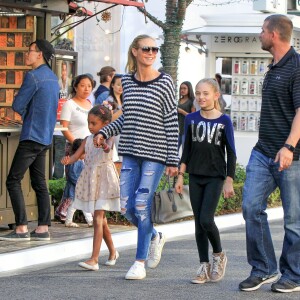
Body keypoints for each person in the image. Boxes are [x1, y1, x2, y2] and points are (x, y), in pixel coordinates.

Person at [93, 34, 179, 280]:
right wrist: (104, 132)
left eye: (155, 49)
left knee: (142, 204)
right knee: (127, 207)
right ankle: (154, 235)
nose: (151, 52)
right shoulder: (127, 82)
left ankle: (139, 262)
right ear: (134, 51)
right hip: (130, 152)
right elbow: (126, 119)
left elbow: (171, 122)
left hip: (156, 154)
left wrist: (173, 160)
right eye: (146, 48)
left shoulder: (165, 82)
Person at [238, 15, 300, 293]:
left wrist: (289, 147)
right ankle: (264, 268)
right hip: (263, 152)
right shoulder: (273, 66)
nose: (259, 34)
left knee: (294, 220)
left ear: (274, 34)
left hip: (291, 156)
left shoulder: (297, 67)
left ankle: (294, 275)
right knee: (251, 207)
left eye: (262, 31)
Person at [175, 78, 236, 284]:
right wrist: (180, 175)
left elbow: (231, 152)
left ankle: (218, 255)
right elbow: (187, 150)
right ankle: (203, 265)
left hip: (215, 177)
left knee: (206, 220)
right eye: (198, 93)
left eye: (206, 93)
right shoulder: (191, 118)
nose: (201, 97)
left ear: (216, 95)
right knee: (198, 224)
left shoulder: (224, 121)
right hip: (195, 175)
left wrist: (229, 180)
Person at [0, 39, 59, 241]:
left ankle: (21, 227)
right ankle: (43, 227)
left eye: (30, 51)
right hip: (45, 137)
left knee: (13, 180)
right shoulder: (52, 78)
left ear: (39, 54)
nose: (27, 54)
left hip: (32, 135)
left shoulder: (33, 76)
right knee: (39, 183)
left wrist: (26, 113)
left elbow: (17, 104)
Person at [61, 104, 120, 270]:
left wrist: (103, 144)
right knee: (101, 220)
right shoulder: (87, 140)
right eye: (89, 122)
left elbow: (108, 147)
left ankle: (94, 259)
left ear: (106, 124)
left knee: (98, 218)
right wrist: (68, 160)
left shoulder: (108, 138)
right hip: (91, 181)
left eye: (94, 123)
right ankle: (113, 252)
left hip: (105, 181)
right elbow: (76, 156)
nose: (90, 126)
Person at [60, 74, 95, 226]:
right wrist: (78, 145)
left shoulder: (90, 104)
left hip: (89, 149)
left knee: (79, 185)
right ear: (75, 87)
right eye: (83, 85)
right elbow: (64, 128)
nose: (86, 89)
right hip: (75, 149)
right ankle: (88, 217)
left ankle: (63, 212)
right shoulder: (70, 104)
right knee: (79, 183)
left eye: (89, 86)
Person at [54, 139, 86, 227]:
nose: (86, 155)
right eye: (84, 153)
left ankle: (90, 220)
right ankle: (65, 217)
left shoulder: (77, 161)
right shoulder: (76, 162)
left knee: (80, 204)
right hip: (75, 187)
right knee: (74, 204)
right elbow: (72, 175)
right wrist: (80, 184)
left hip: (76, 186)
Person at [177, 81, 195, 152]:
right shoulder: (179, 100)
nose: (182, 90)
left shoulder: (192, 101)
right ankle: (176, 163)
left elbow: (193, 117)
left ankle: (184, 163)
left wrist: (181, 111)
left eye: (184, 88)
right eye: (181, 88)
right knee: (174, 150)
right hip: (178, 129)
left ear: (189, 89)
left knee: (185, 150)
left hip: (186, 129)